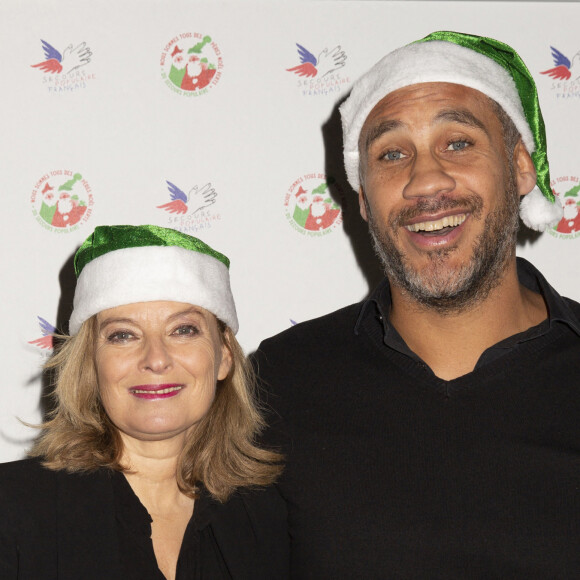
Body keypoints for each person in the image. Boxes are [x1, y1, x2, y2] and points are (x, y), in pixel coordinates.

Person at [253, 31, 580, 578]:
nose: (426, 179)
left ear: (522, 167)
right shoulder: (279, 381)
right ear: (362, 198)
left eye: (458, 142)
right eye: (392, 153)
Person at [0, 225, 288, 579]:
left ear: (224, 356)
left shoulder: (275, 517)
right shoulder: (11, 507)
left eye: (183, 330)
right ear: (90, 363)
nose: (156, 358)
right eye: (123, 335)